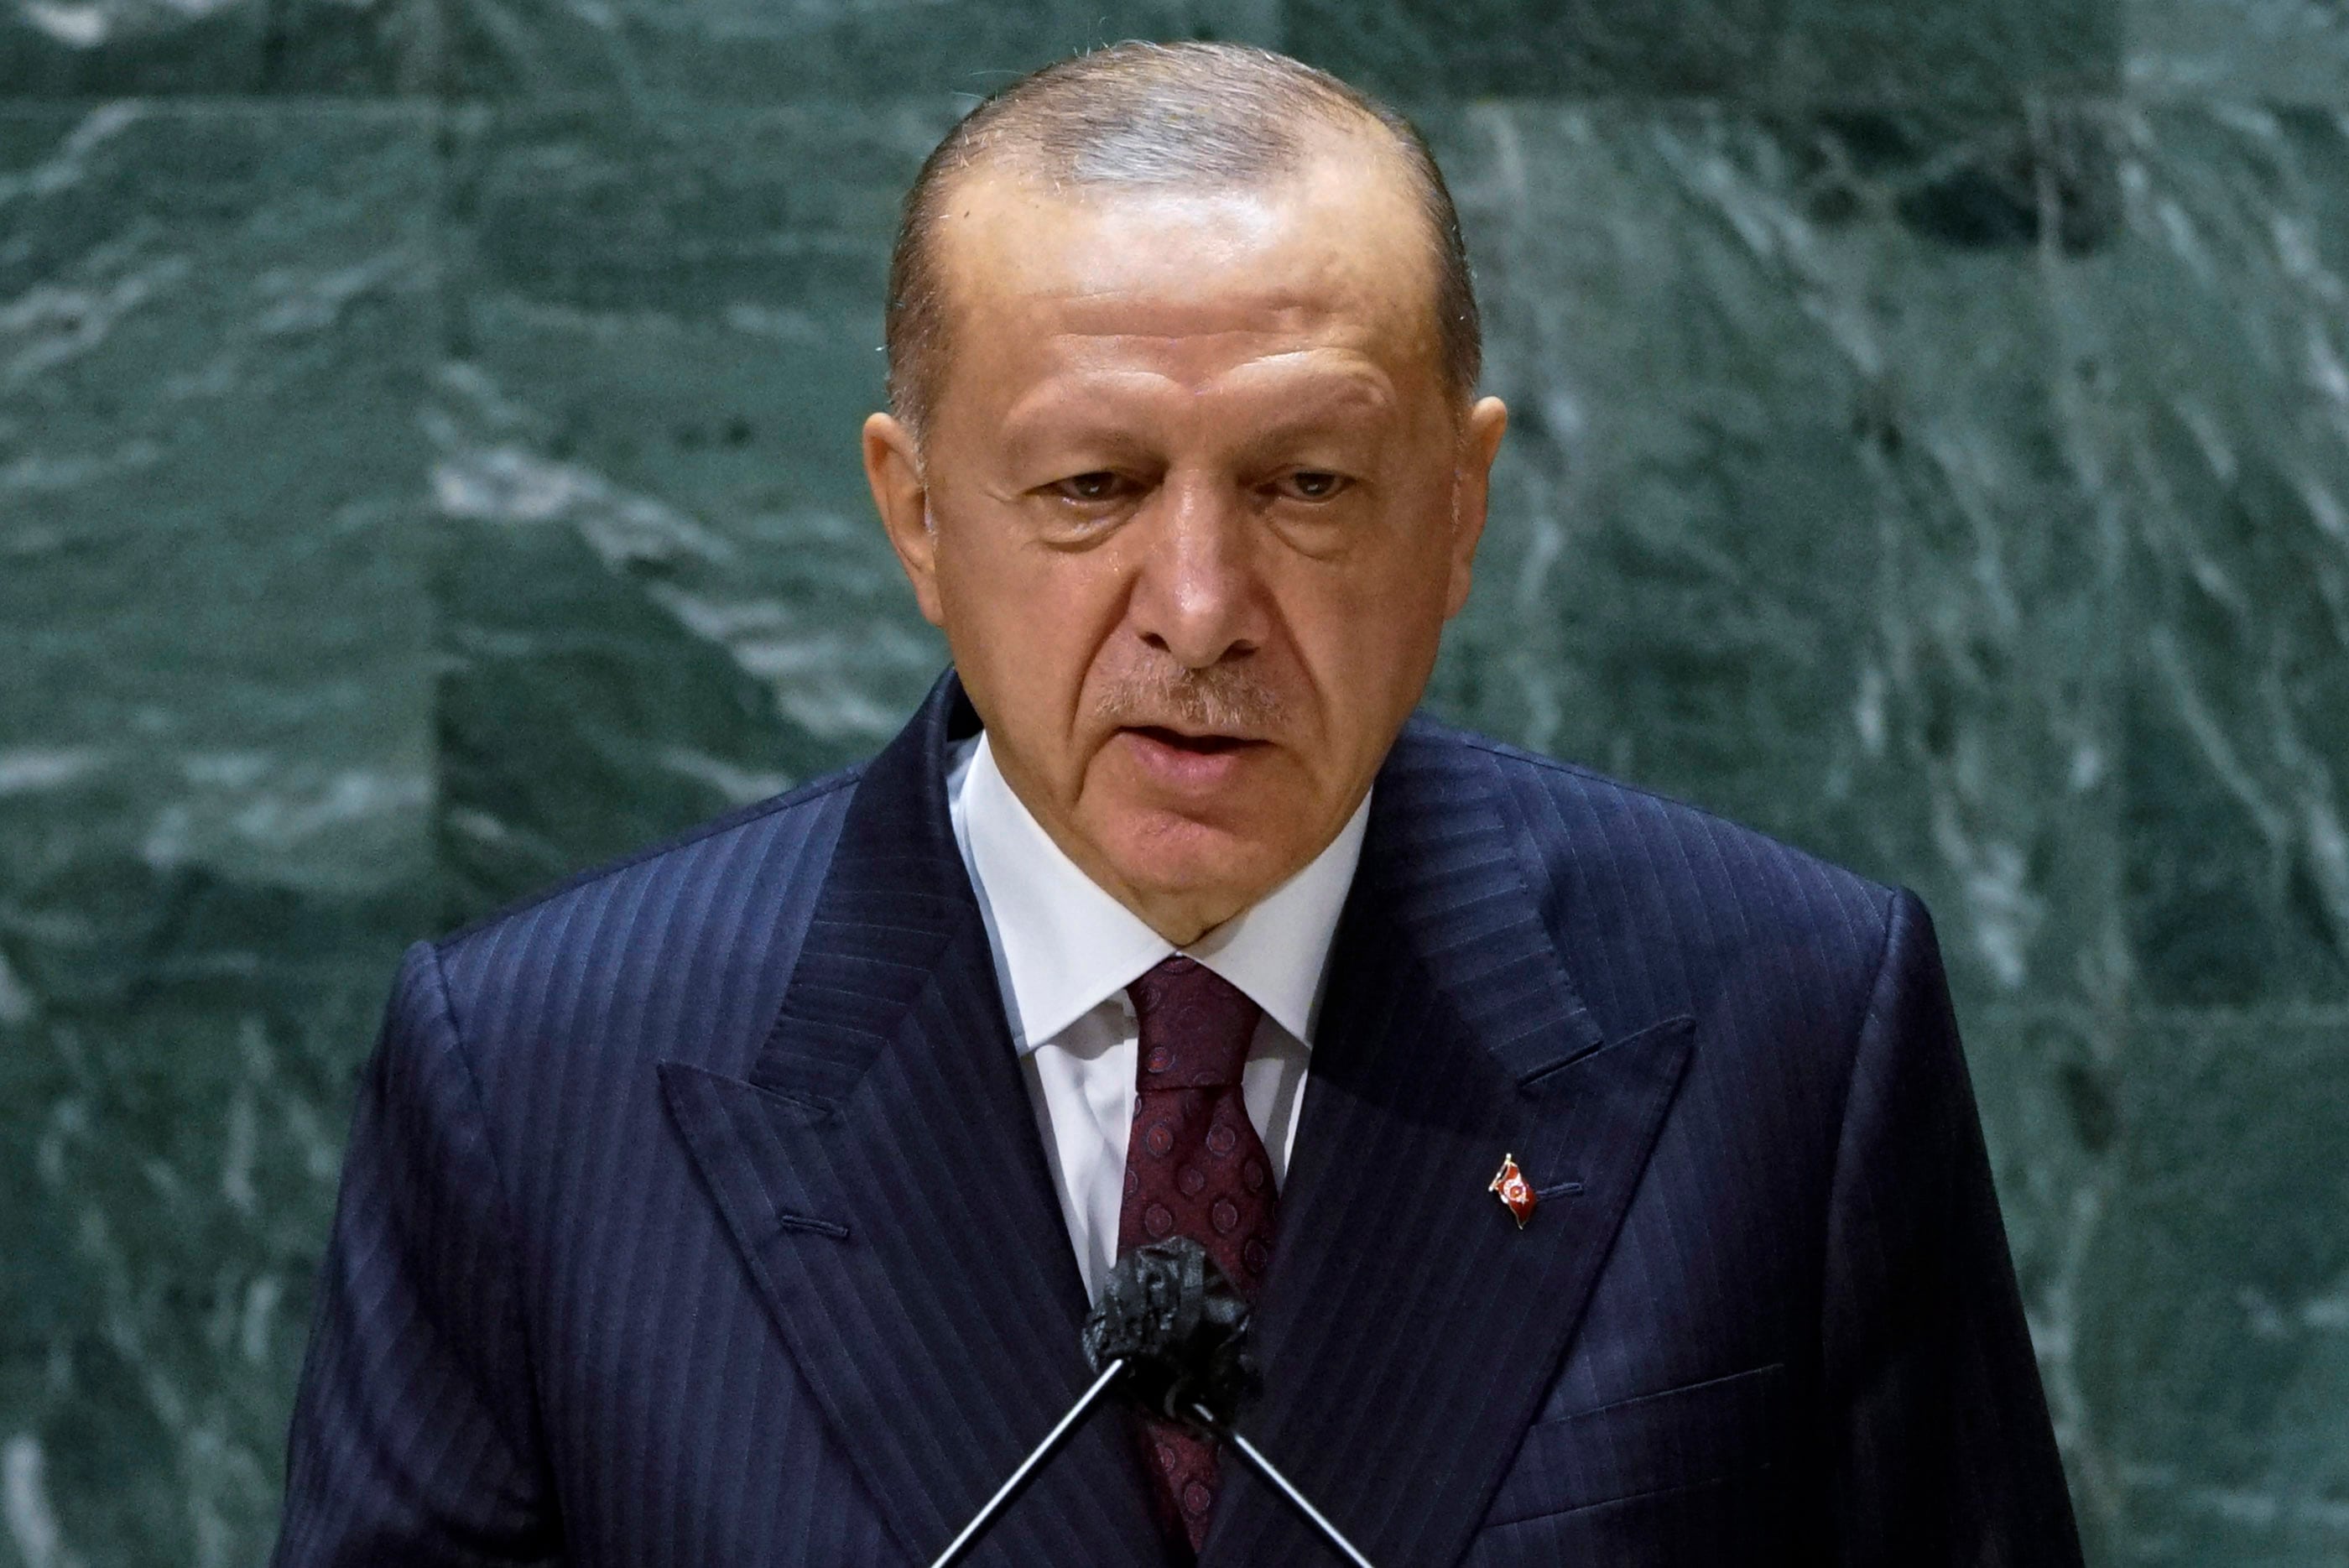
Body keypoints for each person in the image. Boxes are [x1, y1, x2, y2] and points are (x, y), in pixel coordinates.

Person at [273, 40, 2084, 1567]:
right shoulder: (534, 1083)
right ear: (913, 514)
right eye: (1090, 484)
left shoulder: (1786, 1021)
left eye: (1304, 481)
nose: (1200, 603)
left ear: (1456, 510)